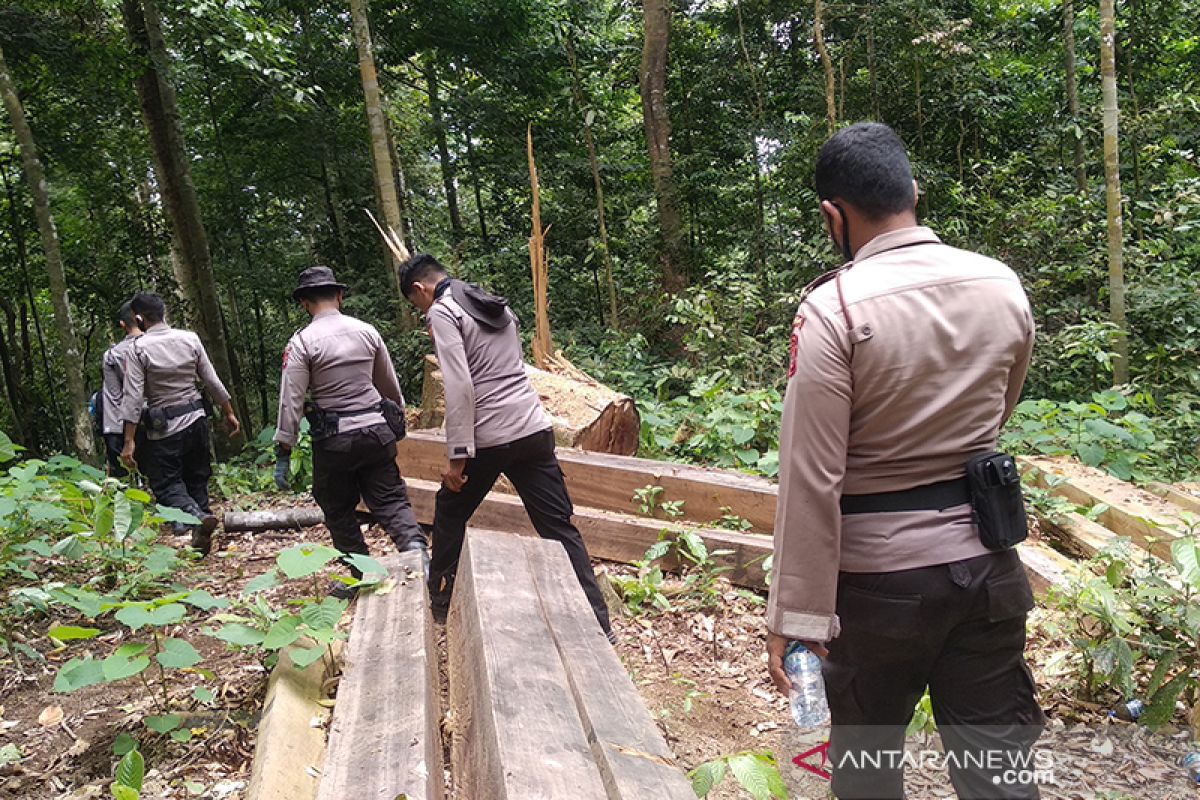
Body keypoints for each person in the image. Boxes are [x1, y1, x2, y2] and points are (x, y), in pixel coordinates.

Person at [764, 123, 1042, 799]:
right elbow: (1000, 409)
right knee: (999, 777)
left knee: (865, 776)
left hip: (879, 594)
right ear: (913, 193)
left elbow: (812, 478)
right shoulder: (1000, 284)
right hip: (989, 572)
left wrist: (796, 620)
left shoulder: (833, 308)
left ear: (834, 216)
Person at [399, 254, 613, 640]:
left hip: (491, 437)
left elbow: (460, 386)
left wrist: (457, 458)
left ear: (419, 288)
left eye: (417, 305)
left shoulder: (444, 312)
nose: (421, 311)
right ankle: (600, 624)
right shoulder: (488, 301)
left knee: (449, 508)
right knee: (558, 527)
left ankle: (440, 606)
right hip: (533, 429)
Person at [273, 266, 426, 597]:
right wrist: (396, 419)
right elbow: (389, 386)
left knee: (338, 507)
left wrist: (283, 449)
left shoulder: (302, 342)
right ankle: (419, 556)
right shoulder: (367, 332)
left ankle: (360, 573)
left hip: (335, 440)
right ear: (339, 295)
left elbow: (291, 401)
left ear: (304, 303)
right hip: (376, 431)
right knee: (391, 500)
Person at [119, 292, 240, 555]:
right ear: (164, 313)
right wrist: (228, 412)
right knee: (197, 475)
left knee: (166, 483)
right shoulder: (190, 338)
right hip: (197, 419)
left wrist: (128, 440)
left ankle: (197, 517)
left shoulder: (137, 349)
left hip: (165, 428)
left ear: (138, 318)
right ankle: (202, 533)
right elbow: (211, 380)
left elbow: (133, 397)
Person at [99, 301, 144, 477]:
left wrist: (120, 438)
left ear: (122, 324)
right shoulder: (166, 344)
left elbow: (113, 397)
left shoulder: (113, 355)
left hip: (126, 425)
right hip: (165, 421)